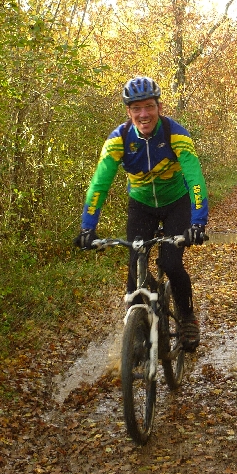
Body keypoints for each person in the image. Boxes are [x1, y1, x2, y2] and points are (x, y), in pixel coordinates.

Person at [74, 76, 208, 350]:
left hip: (176, 203)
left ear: (159, 106)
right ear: (128, 111)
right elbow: (100, 184)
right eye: (136, 108)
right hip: (141, 205)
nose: (143, 114)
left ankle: (187, 317)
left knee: (170, 263)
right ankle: (134, 332)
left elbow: (195, 179)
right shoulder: (118, 140)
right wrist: (88, 227)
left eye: (149, 106)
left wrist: (197, 222)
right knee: (136, 266)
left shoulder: (176, 134)